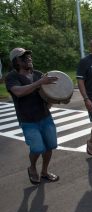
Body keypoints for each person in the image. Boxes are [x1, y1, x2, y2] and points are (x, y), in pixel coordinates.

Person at [5, 47, 60, 185]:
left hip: (45, 117)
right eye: (24, 57)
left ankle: (45, 171)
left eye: (29, 56)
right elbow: (18, 92)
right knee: (37, 148)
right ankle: (32, 168)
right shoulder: (12, 77)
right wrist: (39, 83)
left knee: (50, 146)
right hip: (28, 120)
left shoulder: (38, 74)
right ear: (16, 61)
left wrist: (58, 98)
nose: (28, 59)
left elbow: (48, 94)